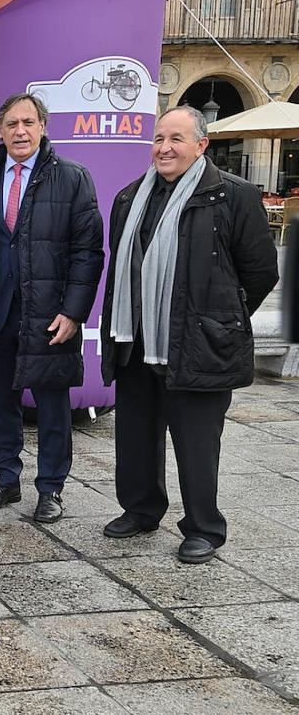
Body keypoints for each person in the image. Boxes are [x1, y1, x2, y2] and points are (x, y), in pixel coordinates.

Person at [100, 105, 277, 563]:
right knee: (136, 434)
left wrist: (219, 317)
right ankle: (140, 509)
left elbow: (259, 273)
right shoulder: (129, 197)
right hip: (136, 340)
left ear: (202, 145)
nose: (165, 148)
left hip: (200, 343)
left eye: (177, 139)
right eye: (159, 139)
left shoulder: (231, 196)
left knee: (197, 441)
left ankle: (203, 526)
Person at [0, 93, 104, 523]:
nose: (20, 131)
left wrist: (74, 312)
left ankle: (51, 489)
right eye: (12, 124)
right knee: (0, 402)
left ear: (42, 128)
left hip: (49, 316)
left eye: (28, 123)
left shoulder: (72, 178)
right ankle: (5, 478)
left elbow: (88, 252)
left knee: (54, 407)